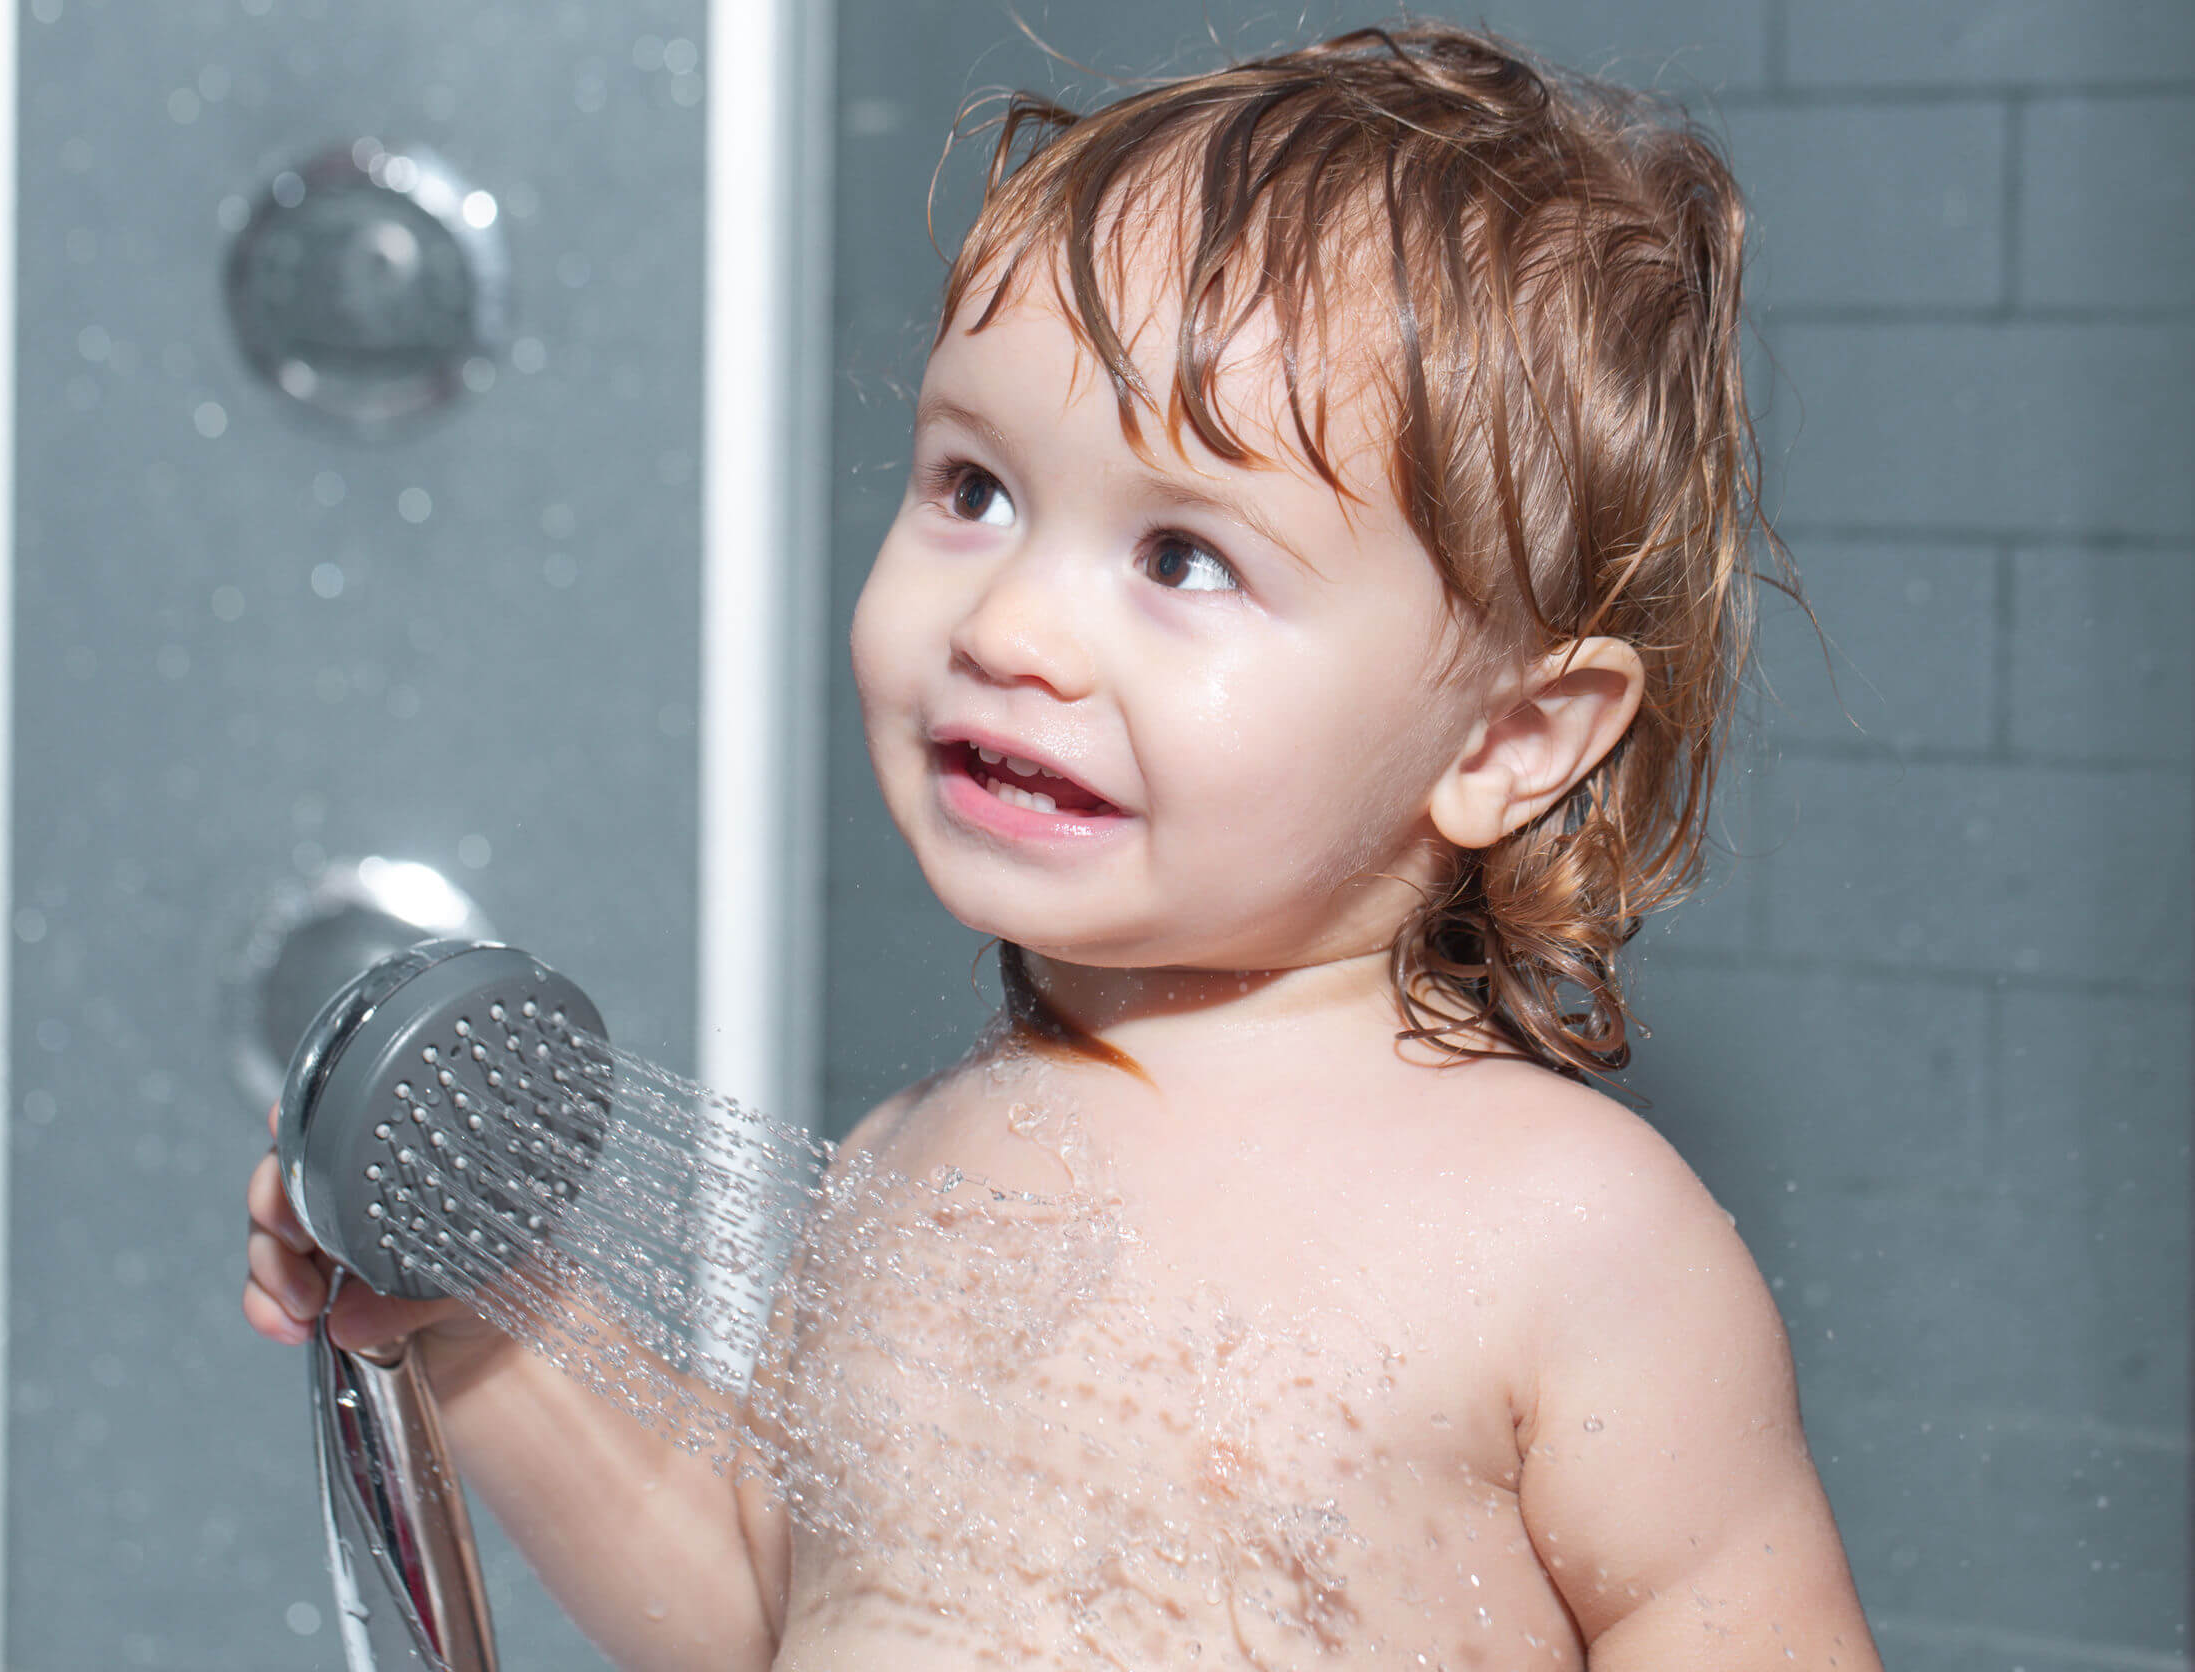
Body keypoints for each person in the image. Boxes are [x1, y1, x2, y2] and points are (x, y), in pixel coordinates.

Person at [246, 23, 1883, 1669]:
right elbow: (765, 1624)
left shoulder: (1572, 1240)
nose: (1012, 623)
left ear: (1504, 740)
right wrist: (477, 1328)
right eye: (974, 487)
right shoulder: (908, 1161)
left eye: (1182, 557)